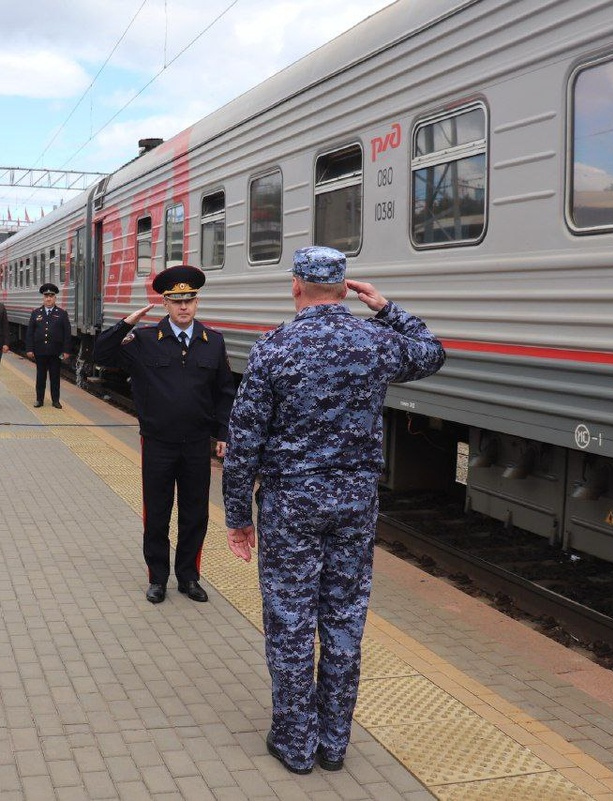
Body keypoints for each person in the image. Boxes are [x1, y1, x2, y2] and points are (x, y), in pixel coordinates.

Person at [222, 246, 445, 775]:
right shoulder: (374, 340)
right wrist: (386, 306)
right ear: (346, 289)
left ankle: (296, 744)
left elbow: (244, 440)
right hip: (354, 503)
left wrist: (237, 517)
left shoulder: (274, 348)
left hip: (291, 503)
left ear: (296, 286)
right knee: (344, 618)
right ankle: (334, 745)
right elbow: (432, 351)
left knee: (291, 620)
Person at [94, 265, 235, 605]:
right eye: (175, 301)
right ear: (166, 304)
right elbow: (101, 355)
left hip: (196, 445)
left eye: (189, 300)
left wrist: (222, 434)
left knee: (195, 514)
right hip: (157, 443)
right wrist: (126, 323)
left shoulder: (212, 342)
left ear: (197, 303)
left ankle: (188, 578)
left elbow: (224, 393)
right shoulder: (143, 340)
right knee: (157, 514)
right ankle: (158, 578)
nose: (183, 307)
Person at [25, 283, 72, 409]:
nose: (48, 299)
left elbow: (67, 334)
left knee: (55, 377)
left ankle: (55, 400)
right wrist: (29, 349)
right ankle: (39, 400)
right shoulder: (36, 313)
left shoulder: (62, 313)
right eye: (46, 296)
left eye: (51, 296)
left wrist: (66, 350)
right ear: (43, 298)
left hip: (55, 352)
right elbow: (30, 333)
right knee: (40, 377)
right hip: (40, 351)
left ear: (55, 298)